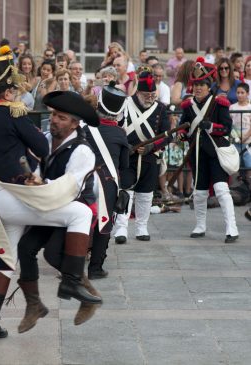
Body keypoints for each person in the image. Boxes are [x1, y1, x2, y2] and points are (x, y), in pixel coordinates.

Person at [0, 47, 100, 341]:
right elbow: (42, 148)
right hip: (14, 195)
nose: (15, 92)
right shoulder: (12, 114)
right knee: (78, 213)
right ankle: (72, 282)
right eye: (13, 87)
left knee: (5, 259)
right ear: (6, 89)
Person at [179, 59, 239, 243]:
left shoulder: (219, 103)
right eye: (195, 84)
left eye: (202, 85)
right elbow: (184, 126)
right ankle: (200, 225)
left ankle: (232, 228)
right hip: (197, 154)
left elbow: (226, 129)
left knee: (221, 189)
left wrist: (211, 126)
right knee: (200, 192)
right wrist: (182, 134)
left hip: (215, 152)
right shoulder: (188, 106)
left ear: (208, 86)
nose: (198, 88)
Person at [113, 71, 170, 244]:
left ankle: (141, 227)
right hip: (128, 156)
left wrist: (152, 147)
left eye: (153, 95)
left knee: (145, 194)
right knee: (125, 191)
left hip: (150, 157)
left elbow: (167, 135)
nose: (150, 98)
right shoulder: (125, 104)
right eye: (146, 95)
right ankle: (121, 228)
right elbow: (116, 127)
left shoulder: (160, 108)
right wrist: (126, 146)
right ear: (138, 92)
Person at [84, 82, 129, 278]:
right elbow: (125, 165)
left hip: (84, 182)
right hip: (108, 183)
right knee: (104, 224)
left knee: (79, 224)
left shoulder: (85, 129)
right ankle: (95, 268)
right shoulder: (120, 134)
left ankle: (71, 268)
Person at [230, 83, 251, 178]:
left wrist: (246, 136)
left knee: (249, 166)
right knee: (234, 165)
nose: (239, 95)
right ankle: (236, 187)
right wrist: (235, 136)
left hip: (248, 142)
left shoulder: (249, 107)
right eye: (238, 92)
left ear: (247, 93)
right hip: (235, 142)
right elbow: (230, 124)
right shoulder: (232, 107)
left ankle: (248, 186)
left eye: (242, 92)